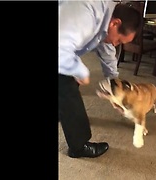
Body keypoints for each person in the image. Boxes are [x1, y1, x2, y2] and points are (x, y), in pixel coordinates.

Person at [58, 1, 141, 158]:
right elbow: (60, 49)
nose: (116, 44)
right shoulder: (87, 14)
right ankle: (79, 146)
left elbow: (107, 49)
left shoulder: (106, 20)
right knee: (68, 84)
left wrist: (113, 83)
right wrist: (81, 72)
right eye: (119, 41)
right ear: (115, 23)